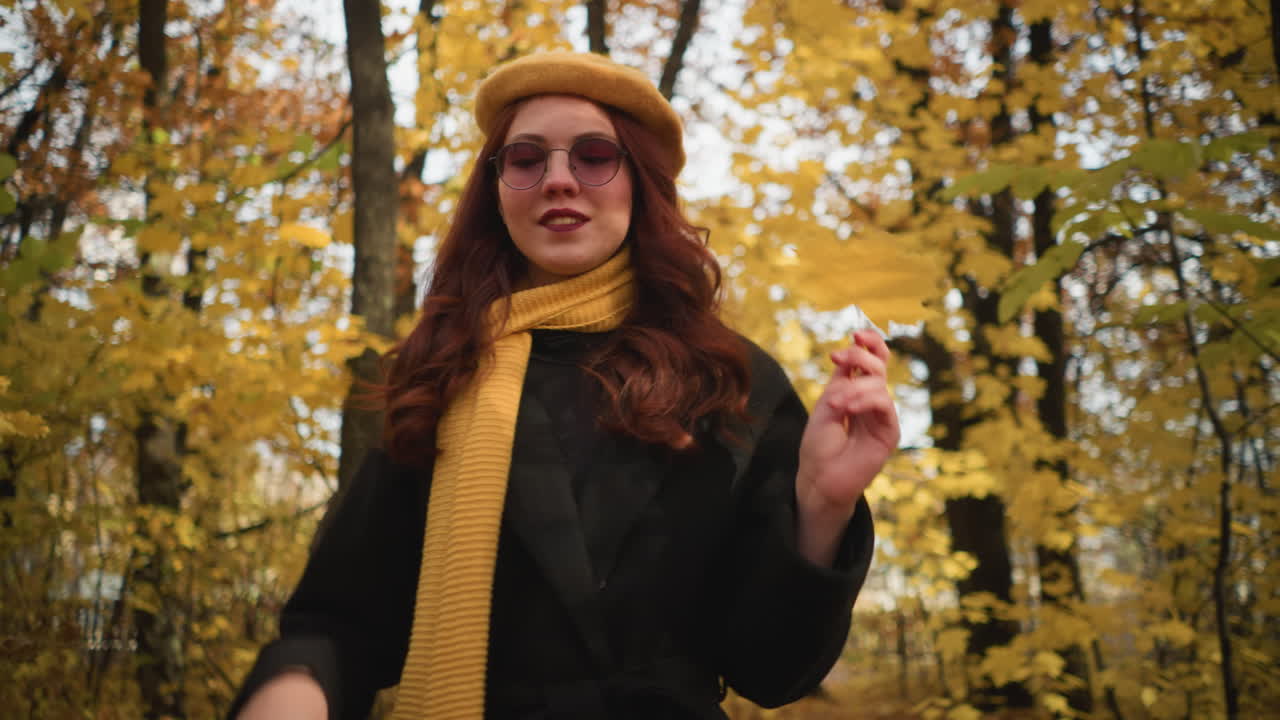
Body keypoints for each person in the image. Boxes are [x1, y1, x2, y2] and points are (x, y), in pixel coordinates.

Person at [228, 50, 899, 720]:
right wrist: (294, 691)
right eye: (526, 160)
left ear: (640, 183)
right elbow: (340, 622)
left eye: (593, 155)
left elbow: (770, 670)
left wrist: (820, 507)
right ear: (496, 192)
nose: (557, 180)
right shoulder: (438, 372)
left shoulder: (728, 378)